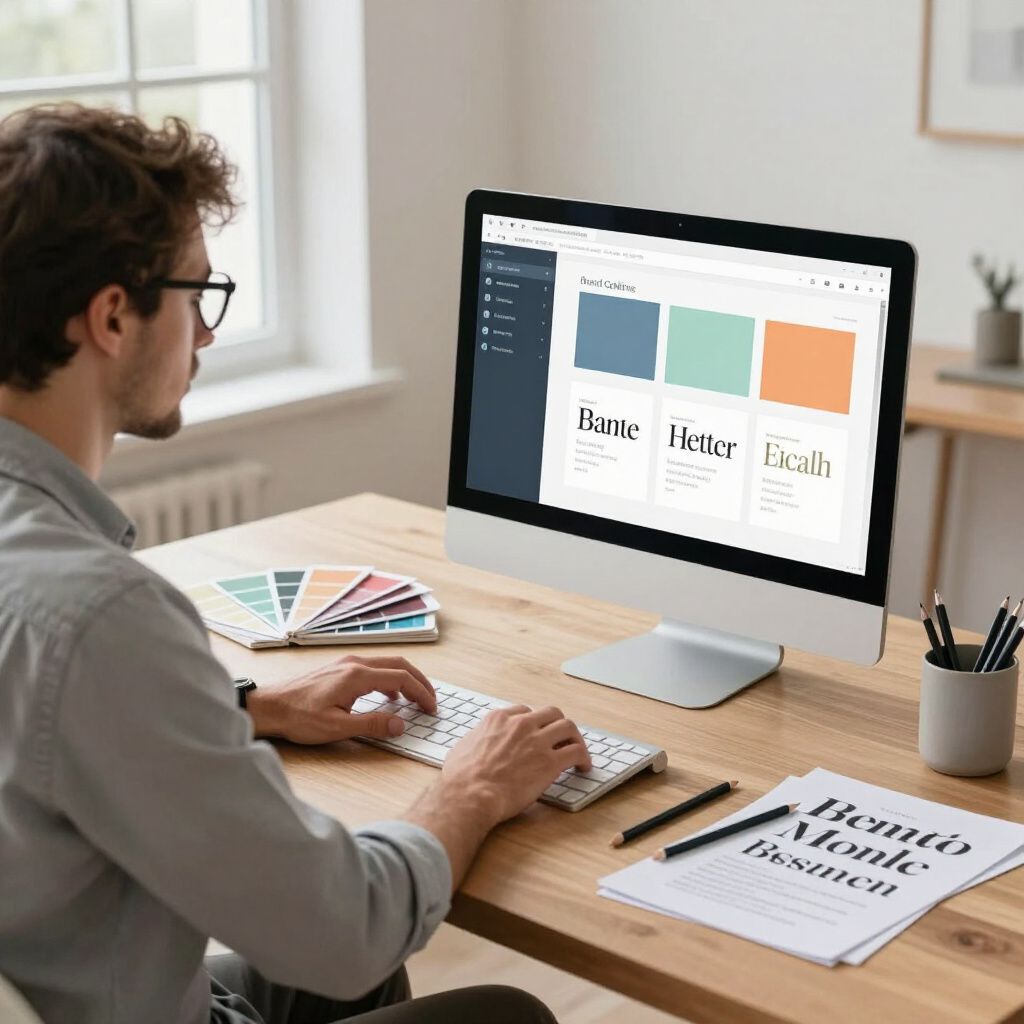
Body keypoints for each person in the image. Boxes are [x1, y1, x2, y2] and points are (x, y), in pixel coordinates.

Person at [0, 104, 592, 1024]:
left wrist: (248, 708)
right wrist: (471, 787)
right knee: (500, 1013)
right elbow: (345, 926)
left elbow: (35, 727)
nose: (206, 334)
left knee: (355, 980)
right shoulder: (98, 615)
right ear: (113, 315)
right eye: (197, 295)